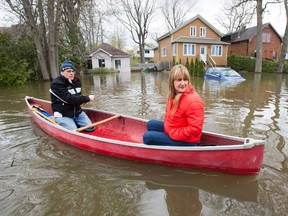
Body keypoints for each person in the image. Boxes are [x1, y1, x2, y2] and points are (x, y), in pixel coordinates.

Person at [143, 64, 204, 146]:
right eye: (179, 80)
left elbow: (195, 129)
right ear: (172, 81)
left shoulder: (193, 101)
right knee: (150, 124)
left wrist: (173, 134)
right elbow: (169, 117)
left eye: (185, 80)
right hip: (174, 130)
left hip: (188, 141)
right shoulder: (173, 95)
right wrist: (169, 129)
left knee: (147, 137)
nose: (183, 83)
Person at [50, 60, 95, 131]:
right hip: (63, 114)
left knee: (90, 128)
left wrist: (82, 102)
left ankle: (74, 121)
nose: (71, 73)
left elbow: (77, 96)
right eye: (68, 71)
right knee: (73, 130)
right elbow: (69, 99)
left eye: (72, 71)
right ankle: (57, 119)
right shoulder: (56, 84)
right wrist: (87, 98)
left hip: (77, 113)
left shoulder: (77, 81)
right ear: (62, 73)